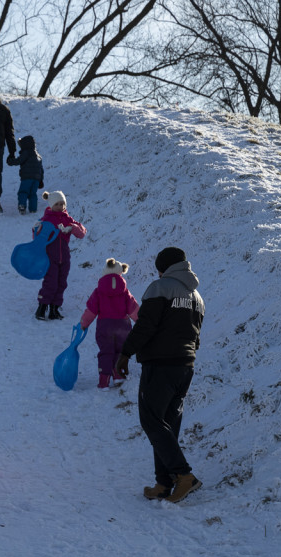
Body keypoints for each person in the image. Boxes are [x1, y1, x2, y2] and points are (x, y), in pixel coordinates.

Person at [115, 247, 205, 504]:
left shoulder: (160, 287)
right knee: (167, 424)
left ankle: (184, 475)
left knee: (152, 420)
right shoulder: (197, 297)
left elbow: (146, 325)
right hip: (185, 367)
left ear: (163, 268)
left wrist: (126, 353)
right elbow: (195, 336)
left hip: (160, 365)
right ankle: (164, 483)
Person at [79, 258, 140, 389]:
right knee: (120, 350)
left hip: (105, 326)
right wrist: (140, 322)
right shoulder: (125, 292)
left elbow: (91, 310)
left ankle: (104, 381)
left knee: (106, 352)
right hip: (122, 326)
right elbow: (133, 309)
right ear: (120, 273)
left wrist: (83, 324)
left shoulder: (98, 291)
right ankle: (118, 375)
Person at [35, 190, 87, 320]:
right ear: (51, 205)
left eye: (62, 204)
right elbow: (37, 238)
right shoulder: (46, 219)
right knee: (50, 282)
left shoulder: (67, 219)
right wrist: (37, 229)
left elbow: (82, 233)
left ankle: (54, 309)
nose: (60, 207)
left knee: (61, 283)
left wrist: (72, 228)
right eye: (57, 204)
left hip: (64, 257)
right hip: (49, 257)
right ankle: (42, 307)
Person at [5, 135, 44, 214]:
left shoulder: (26, 153)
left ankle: (22, 206)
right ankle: (33, 209)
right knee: (33, 194)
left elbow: (19, 161)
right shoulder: (38, 155)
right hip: (36, 179)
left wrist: (10, 161)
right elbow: (41, 169)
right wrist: (40, 180)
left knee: (23, 192)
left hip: (27, 177)